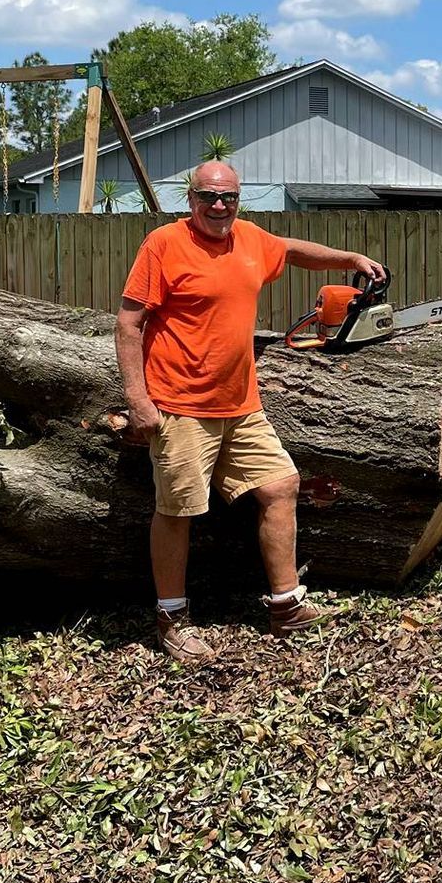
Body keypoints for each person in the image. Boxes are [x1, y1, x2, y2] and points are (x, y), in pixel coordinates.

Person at [116, 160, 386, 665]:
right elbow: (129, 325)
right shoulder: (164, 245)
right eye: (208, 197)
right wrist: (138, 399)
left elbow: (292, 250)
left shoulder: (249, 238)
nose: (219, 207)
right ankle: (171, 617)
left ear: (239, 200)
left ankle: (285, 606)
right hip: (180, 403)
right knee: (177, 512)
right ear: (190, 198)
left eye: (229, 198)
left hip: (241, 405)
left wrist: (351, 256)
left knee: (280, 484)